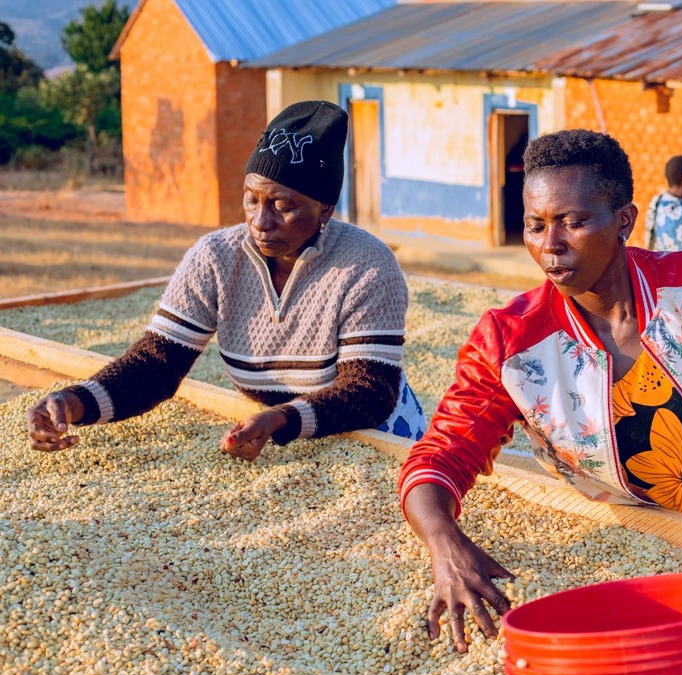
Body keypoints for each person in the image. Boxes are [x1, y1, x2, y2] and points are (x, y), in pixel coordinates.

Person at [399, 130, 682, 652]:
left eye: (575, 222)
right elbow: (443, 453)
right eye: (535, 225)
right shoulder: (510, 342)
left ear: (624, 221)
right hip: (641, 546)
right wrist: (445, 544)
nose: (550, 245)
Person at [26, 100, 425, 460]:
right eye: (252, 199)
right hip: (271, 434)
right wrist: (73, 402)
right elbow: (156, 364)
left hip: (374, 438)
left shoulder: (367, 265)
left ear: (325, 208)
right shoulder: (216, 257)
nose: (260, 221)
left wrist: (279, 420)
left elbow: (369, 391)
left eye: (283, 206)